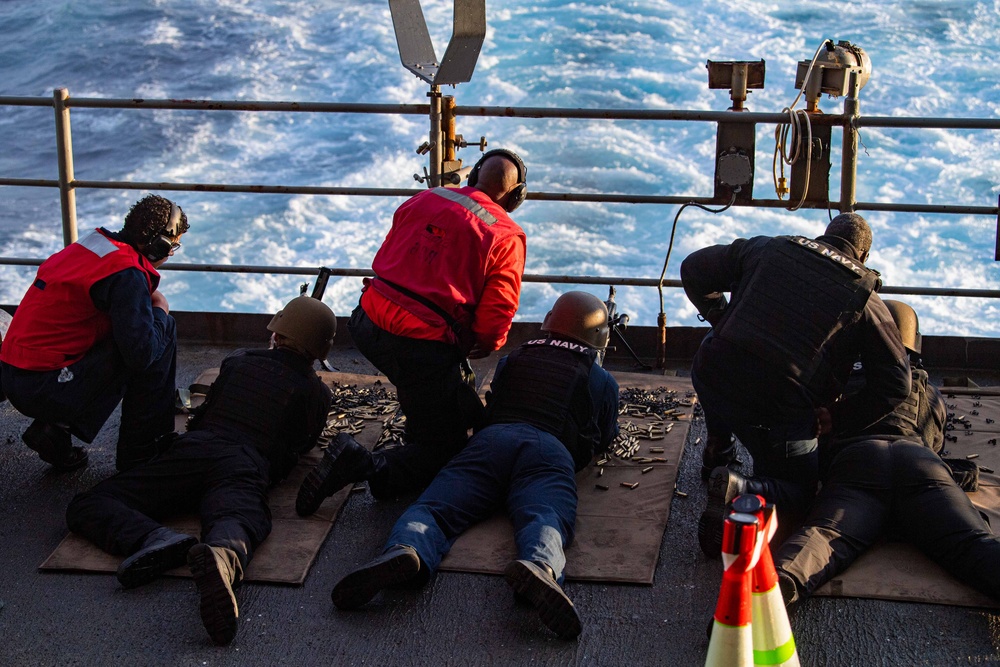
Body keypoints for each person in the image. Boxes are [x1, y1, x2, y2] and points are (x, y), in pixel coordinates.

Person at [327, 292, 619, 640]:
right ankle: (539, 567)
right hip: (547, 451)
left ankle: (408, 549)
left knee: (435, 508)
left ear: (550, 320)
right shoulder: (601, 380)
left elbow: (492, 405)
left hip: (491, 441)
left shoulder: (516, 357)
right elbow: (602, 437)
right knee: (545, 515)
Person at [64, 296, 335, 646]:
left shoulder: (239, 362)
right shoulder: (317, 392)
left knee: (91, 503)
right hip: (245, 462)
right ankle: (222, 557)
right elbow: (301, 446)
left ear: (277, 335)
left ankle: (155, 537)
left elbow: (204, 415)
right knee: (238, 519)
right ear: (318, 350)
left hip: (193, 450)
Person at [295, 148, 527, 511]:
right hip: (418, 347)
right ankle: (364, 464)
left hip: (367, 324)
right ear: (515, 197)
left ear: (473, 176)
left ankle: (416, 441)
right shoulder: (506, 234)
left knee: (436, 394)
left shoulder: (425, 196)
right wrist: (484, 342)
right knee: (445, 447)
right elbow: (496, 317)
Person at [680, 212, 912, 556]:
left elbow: (693, 268)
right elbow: (897, 383)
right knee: (802, 493)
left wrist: (721, 319)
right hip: (777, 407)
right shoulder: (865, 298)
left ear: (824, 236)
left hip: (712, 373)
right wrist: (839, 416)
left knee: (722, 361)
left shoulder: (768, 247)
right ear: (863, 257)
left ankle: (718, 448)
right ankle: (742, 487)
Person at [773, 299, 1000, 609]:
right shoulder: (925, 389)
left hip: (856, 463)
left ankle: (769, 594)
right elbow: (933, 440)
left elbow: (813, 439)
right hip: (918, 462)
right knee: (973, 545)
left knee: (823, 538)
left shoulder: (836, 380)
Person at [1, 194, 189, 472]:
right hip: (47, 389)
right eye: (173, 246)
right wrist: (160, 308)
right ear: (157, 245)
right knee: (159, 332)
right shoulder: (127, 273)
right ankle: (141, 452)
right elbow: (142, 355)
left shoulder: (92, 245)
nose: (171, 252)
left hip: (14, 376)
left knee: (129, 331)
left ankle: (55, 431)